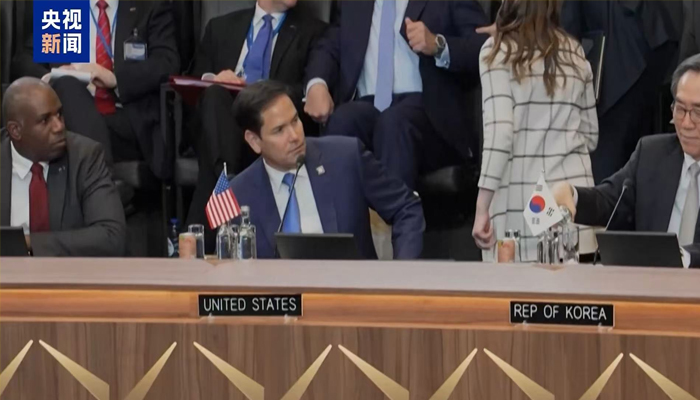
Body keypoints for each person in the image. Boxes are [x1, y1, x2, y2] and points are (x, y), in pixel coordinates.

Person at [304, 0, 488, 189]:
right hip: (370, 106)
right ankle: (338, 209)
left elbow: (485, 44)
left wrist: (438, 45)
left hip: (428, 112)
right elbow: (330, 44)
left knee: (394, 123)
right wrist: (317, 84)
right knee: (342, 121)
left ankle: (399, 208)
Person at [229, 80, 425, 259]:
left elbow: (406, 207)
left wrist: (402, 271)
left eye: (295, 121)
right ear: (254, 141)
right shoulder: (239, 193)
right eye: (279, 130)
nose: (294, 136)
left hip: (350, 284)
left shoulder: (346, 158)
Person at [186, 0, 327, 242]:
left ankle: (222, 196)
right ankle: (228, 180)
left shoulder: (313, 32)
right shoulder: (219, 28)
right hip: (222, 127)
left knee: (214, 160)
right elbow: (192, 86)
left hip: (270, 133)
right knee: (215, 94)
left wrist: (259, 90)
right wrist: (215, 79)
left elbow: (305, 92)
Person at [471, 0, 599, 262]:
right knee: (576, 288)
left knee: (518, 289)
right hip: (575, 206)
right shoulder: (575, 52)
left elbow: (500, 134)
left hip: (521, 209)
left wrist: (481, 206)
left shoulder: (497, 52)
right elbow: (590, 136)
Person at [551, 54, 700, 268]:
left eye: (697, 112)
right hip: (649, 282)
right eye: (680, 109)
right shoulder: (652, 154)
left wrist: (681, 257)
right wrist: (572, 195)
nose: (686, 123)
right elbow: (609, 200)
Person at [11, 0, 180, 179]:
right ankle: (101, 186)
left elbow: (167, 63)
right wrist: (51, 77)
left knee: (69, 140)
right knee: (67, 86)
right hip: (69, 116)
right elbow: (24, 61)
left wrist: (115, 78)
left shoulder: (146, 6)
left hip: (126, 119)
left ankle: (96, 185)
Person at [1, 78, 126, 257]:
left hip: (70, 272)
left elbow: (111, 236)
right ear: (15, 131)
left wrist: (27, 243)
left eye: (59, 114)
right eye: (45, 120)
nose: (59, 127)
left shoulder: (84, 156)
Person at [561, 0, 681, 182]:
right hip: (652, 38)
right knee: (638, 150)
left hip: (616, 61)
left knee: (609, 160)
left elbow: (567, 33)